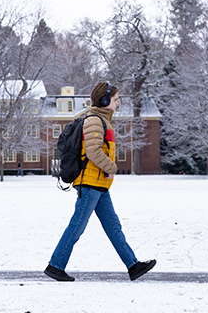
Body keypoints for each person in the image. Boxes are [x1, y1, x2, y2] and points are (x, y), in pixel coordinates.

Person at [44, 82, 155, 282]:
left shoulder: (102, 120)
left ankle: (133, 266)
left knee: (114, 226)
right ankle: (55, 266)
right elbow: (94, 152)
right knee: (77, 227)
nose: (118, 102)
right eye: (115, 99)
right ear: (104, 101)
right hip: (89, 184)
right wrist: (112, 168)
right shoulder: (94, 120)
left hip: (99, 185)